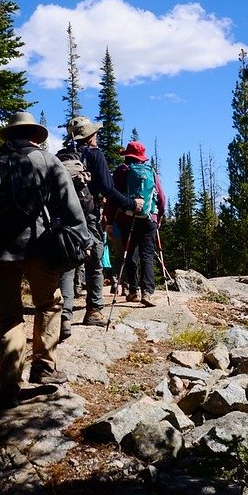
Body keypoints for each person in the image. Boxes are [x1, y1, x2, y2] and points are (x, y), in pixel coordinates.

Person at [0, 111, 91, 407]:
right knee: (48, 304)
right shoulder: (48, 161)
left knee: (8, 313)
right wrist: (82, 240)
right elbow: (71, 205)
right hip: (39, 247)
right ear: (35, 136)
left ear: (9, 135)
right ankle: (44, 368)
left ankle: (9, 382)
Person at [59, 116, 143, 333]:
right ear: (90, 136)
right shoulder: (94, 155)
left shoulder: (60, 156)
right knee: (94, 262)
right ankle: (94, 311)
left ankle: (64, 316)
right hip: (88, 215)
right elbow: (108, 189)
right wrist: (131, 203)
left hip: (63, 216)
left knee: (68, 264)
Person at [110, 141, 166, 307]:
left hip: (128, 217)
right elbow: (161, 197)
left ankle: (133, 290)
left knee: (130, 253)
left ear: (127, 156)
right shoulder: (151, 172)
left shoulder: (122, 172)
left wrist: (110, 218)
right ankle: (147, 292)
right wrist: (159, 215)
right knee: (147, 254)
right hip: (150, 218)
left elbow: (114, 197)